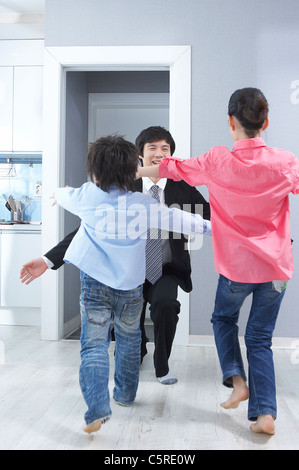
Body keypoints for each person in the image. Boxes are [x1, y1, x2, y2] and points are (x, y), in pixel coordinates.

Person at [137, 88, 299, 435]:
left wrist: (133, 173)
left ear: (231, 122)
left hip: (238, 269)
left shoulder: (216, 160)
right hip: (277, 271)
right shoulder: (286, 162)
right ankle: (265, 414)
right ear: (265, 122)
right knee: (260, 338)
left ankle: (237, 380)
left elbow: (172, 167)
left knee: (223, 320)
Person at [31, 134, 211, 434]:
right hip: (130, 287)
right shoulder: (143, 202)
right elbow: (184, 221)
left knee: (94, 347)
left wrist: (57, 194)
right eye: (152, 148)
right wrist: (214, 228)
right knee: (129, 342)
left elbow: (64, 194)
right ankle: (125, 395)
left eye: (164, 148)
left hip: (97, 286)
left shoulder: (87, 195)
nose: (158, 153)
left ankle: (96, 409)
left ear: (95, 174)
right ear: (135, 169)